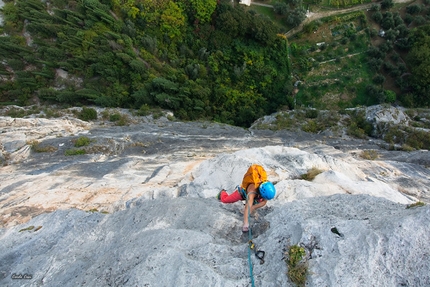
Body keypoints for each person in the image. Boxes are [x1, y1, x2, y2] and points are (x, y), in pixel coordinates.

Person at [217, 164, 276, 232]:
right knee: (225, 200)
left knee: (257, 202)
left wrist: (253, 207)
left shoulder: (265, 187)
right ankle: (222, 192)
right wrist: (246, 224)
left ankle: (254, 203)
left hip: (256, 196)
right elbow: (247, 207)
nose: (264, 199)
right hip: (242, 193)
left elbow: (264, 202)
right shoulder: (252, 191)